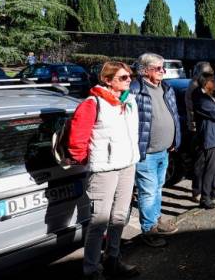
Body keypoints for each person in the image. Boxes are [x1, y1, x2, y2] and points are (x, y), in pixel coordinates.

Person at [67, 62, 140, 279]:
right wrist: (93, 161)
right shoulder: (93, 103)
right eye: (123, 78)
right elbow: (76, 140)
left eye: (130, 76)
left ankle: (113, 260)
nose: (129, 80)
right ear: (107, 80)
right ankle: (91, 270)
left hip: (127, 165)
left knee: (119, 218)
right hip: (104, 170)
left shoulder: (127, 101)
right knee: (99, 222)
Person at [129, 53, 182, 248]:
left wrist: (175, 138)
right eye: (158, 68)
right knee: (148, 192)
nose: (163, 71)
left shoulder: (166, 88)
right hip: (146, 153)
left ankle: (156, 220)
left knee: (158, 188)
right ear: (144, 70)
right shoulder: (135, 89)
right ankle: (148, 230)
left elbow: (174, 115)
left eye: (163, 68)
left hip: (164, 150)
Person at [190, 72, 215, 209]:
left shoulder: (210, 95)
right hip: (210, 137)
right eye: (212, 81)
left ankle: (214, 190)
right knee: (209, 168)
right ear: (205, 83)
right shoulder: (200, 98)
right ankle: (205, 197)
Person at [185, 61, 214, 132]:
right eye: (209, 72)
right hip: (199, 124)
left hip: (198, 123)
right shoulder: (196, 86)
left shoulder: (195, 83)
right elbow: (205, 105)